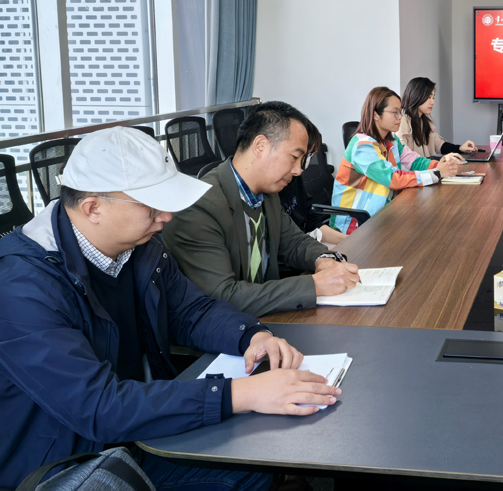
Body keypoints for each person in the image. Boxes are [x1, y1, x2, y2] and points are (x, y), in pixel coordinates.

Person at [0, 127, 340, 490]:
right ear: (93, 208)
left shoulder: (140, 246)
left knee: (264, 452)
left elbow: (191, 311)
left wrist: (251, 336)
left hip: (131, 429)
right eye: (152, 206)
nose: (166, 217)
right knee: (252, 469)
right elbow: (98, 407)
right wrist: (244, 393)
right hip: (66, 463)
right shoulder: (22, 287)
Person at [163, 102, 360, 318]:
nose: (298, 170)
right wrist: (315, 285)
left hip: (265, 319)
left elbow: (294, 242)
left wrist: (322, 259)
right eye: (294, 157)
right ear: (260, 146)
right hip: (227, 330)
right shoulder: (199, 206)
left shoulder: (267, 193)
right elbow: (223, 296)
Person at [332, 86, 463, 234]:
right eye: (395, 112)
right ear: (375, 114)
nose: (400, 117)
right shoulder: (362, 146)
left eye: (400, 112)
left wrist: (441, 165)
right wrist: (437, 173)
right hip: (355, 224)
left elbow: (415, 162)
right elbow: (393, 178)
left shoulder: (391, 141)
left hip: (382, 215)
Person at [397, 77, 477, 158]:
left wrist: (460, 148)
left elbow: (440, 145)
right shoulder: (402, 123)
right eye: (428, 97)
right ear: (416, 96)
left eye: (433, 98)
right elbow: (406, 158)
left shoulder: (424, 122)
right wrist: (441, 160)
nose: (432, 102)